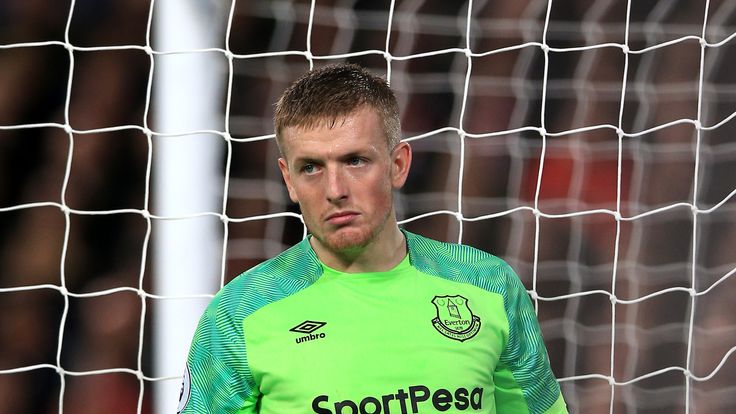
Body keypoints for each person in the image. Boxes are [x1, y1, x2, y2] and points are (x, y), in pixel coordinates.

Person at [178, 63, 568, 414]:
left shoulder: (488, 286)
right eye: (311, 167)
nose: (335, 189)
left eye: (355, 161)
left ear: (398, 165)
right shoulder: (240, 315)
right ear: (289, 180)